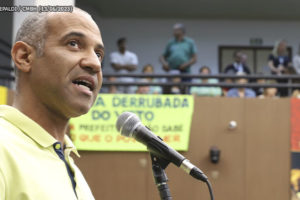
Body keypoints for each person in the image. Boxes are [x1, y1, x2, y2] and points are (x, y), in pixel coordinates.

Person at [0, 8, 103, 199]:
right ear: (24, 56)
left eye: (98, 54)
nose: (95, 64)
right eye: (73, 44)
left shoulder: (74, 172)